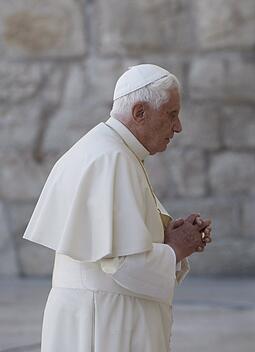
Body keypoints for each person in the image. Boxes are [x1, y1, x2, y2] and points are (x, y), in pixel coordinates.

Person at [23, 64, 211, 351]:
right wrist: (175, 249)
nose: (178, 127)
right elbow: (124, 265)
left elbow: (115, 244)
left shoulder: (110, 150)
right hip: (104, 324)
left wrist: (166, 235)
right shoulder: (112, 159)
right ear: (139, 113)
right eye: (171, 114)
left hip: (101, 315)